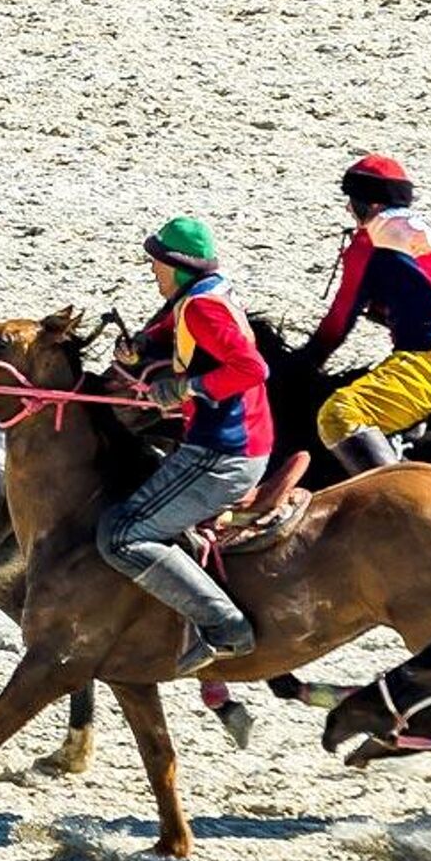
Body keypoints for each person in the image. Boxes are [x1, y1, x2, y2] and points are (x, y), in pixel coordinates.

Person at [99, 217, 273, 674]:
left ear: (177, 268)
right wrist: (142, 346)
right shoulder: (204, 294)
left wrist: (186, 388)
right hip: (232, 439)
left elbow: (253, 370)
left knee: (121, 536)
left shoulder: (199, 308)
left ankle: (224, 626)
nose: (153, 273)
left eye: (156, 265)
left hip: (224, 451)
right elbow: (173, 332)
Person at [300, 155, 431, 474]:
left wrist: (305, 363)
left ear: (368, 205)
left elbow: (340, 320)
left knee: (339, 414)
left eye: (352, 201)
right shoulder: (429, 234)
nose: (348, 210)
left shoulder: (371, 239)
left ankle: (396, 501)